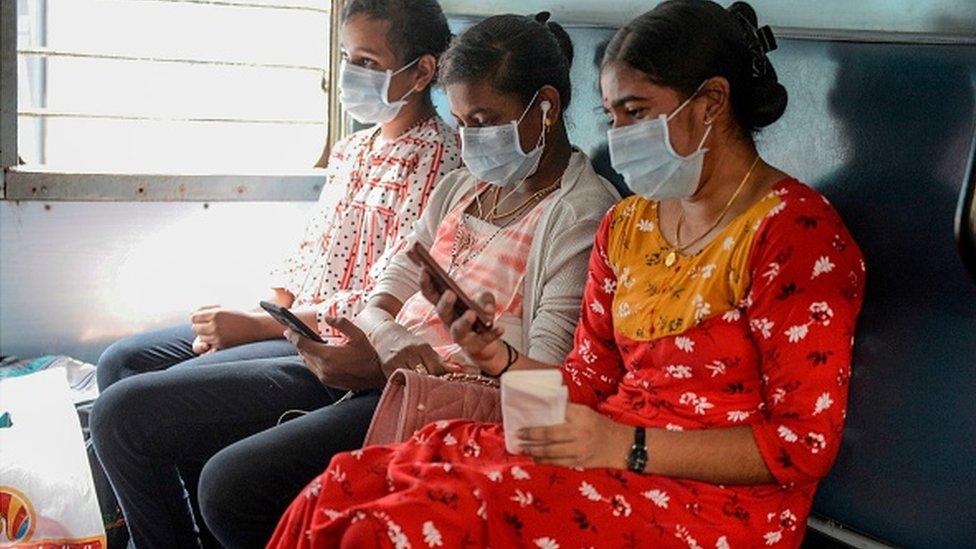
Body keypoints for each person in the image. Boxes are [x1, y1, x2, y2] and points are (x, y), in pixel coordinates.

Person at [267, 2, 866, 547]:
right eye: (611, 116)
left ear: (711, 102)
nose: (619, 136)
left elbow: (801, 447)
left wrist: (623, 447)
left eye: (637, 113)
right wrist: (498, 360)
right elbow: (584, 383)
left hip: (715, 503)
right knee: (351, 484)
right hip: (606, 454)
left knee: (399, 525)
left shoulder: (796, 236)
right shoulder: (629, 227)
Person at [197, 9, 619, 548]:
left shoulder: (580, 215)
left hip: (450, 411)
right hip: (382, 373)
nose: (470, 142)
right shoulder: (460, 190)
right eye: (462, 123)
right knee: (177, 434)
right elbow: (382, 297)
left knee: (230, 487)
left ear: (546, 108)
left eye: (486, 121)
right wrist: (389, 343)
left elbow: (540, 394)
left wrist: (390, 371)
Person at [89, 0, 459, 546]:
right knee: (121, 362)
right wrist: (262, 308)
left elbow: (389, 292)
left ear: (423, 71)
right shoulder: (354, 148)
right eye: (345, 58)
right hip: (291, 320)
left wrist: (260, 328)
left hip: (336, 343)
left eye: (368, 61)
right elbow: (310, 251)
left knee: (122, 414)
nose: (351, 75)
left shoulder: (439, 160)